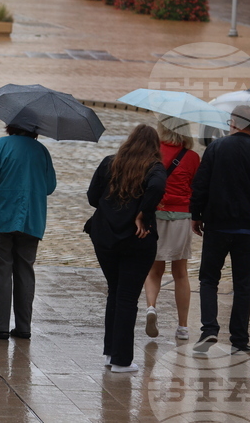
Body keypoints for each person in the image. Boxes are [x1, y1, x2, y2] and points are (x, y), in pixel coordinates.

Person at [190, 105, 250, 356]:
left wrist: (196, 215)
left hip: (217, 225)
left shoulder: (216, 147)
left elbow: (200, 184)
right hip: (248, 228)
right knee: (243, 284)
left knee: (209, 279)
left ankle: (209, 329)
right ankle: (240, 339)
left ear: (233, 122)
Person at [86, 124, 166, 373]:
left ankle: (111, 352)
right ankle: (122, 359)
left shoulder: (110, 163)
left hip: (105, 237)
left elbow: (92, 197)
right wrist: (143, 212)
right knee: (127, 297)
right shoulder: (154, 168)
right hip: (137, 239)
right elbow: (156, 187)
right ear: (154, 146)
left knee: (115, 291)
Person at [0, 123, 57, 341]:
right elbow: (50, 186)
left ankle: (0, 327)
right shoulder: (42, 151)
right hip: (31, 218)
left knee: (2, 272)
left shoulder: (0, 145)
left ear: (11, 126)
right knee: (25, 271)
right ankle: (23, 327)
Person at [143, 122, 200, 341]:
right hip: (181, 216)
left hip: (156, 215)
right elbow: (196, 188)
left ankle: (151, 307)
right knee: (181, 273)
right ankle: (183, 327)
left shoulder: (152, 153)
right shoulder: (192, 157)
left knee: (154, 270)